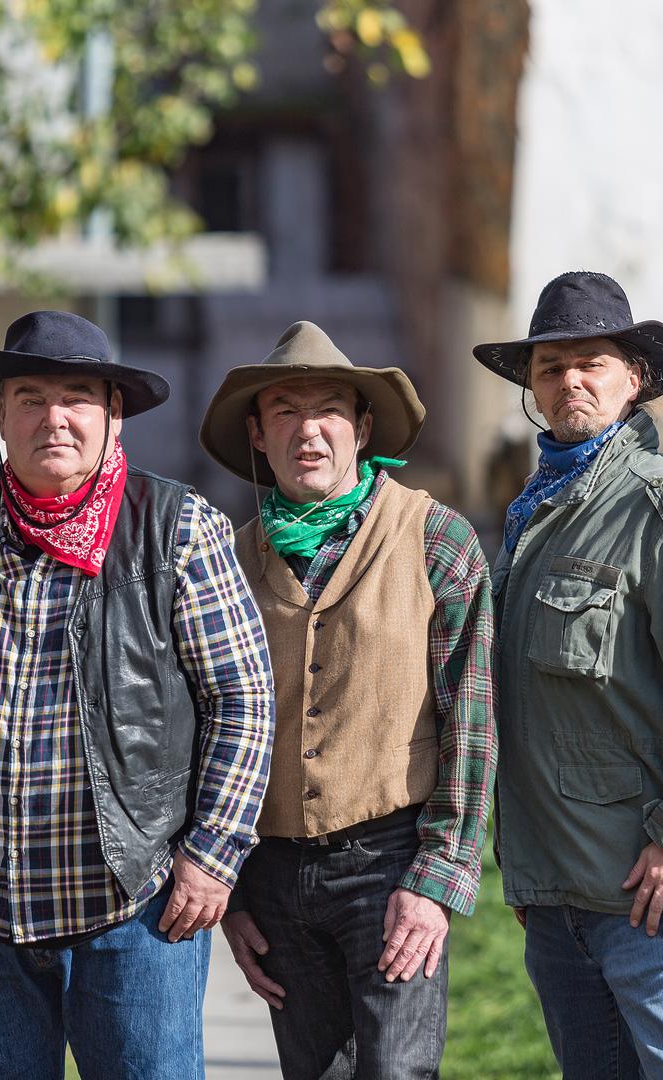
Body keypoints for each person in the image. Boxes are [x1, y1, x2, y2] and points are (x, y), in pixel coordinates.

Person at [0, 310, 274, 1079]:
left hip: (135, 904)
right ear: (0, 414)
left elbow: (244, 699)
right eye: (28, 396)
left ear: (113, 413)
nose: (53, 418)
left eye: (77, 397)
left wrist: (211, 856)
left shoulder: (178, 527)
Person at [474, 271, 663, 1079]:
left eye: (590, 363)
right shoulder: (533, 509)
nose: (568, 380)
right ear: (530, 386)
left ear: (632, 379)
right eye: (549, 365)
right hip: (553, 891)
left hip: (650, 893)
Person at [198, 321, 495, 1078]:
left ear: (362, 428)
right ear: (258, 435)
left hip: (391, 861)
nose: (309, 431)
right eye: (285, 411)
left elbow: (473, 719)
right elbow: (198, 725)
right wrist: (228, 893)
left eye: (328, 408)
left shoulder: (437, 539)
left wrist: (438, 880)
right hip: (269, 872)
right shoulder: (227, 560)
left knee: (394, 1071)